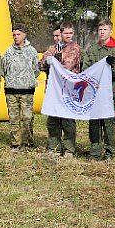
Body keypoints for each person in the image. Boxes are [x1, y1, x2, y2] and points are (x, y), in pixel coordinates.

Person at [39, 23, 82, 156]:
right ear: (61, 34)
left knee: (67, 120)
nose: (68, 36)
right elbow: (41, 64)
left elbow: (67, 66)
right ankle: (54, 147)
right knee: (52, 120)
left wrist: (55, 61)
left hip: (68, 89)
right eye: (66, 33)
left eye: (71, 33)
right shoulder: (52, 48)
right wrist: (47, 61)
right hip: (53, 89)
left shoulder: (75, 48)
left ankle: (69, 149)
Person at [82, 20, 115, 160]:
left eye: (105, 29)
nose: (102, 32)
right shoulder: (92, 49)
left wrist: (111, 66)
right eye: (100, 30)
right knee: (94, 121)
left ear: (110, 31)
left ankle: (109, 151)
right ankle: (95, 151)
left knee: (108, 121)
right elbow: (86, 69)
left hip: (110, 90)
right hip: (94, 91)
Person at [2, 24, 39, 149]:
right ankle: (16, 143)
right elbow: (3, 69)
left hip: (27, 91)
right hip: (11, 90)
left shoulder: (32, 51)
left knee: (27, 118)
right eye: (14, 35)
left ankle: (29, 142)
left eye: (18, 34)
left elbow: (36, 70)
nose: (16, 37)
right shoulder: (8, 52)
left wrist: (27, 80)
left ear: (24, 35)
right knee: (13, 118)